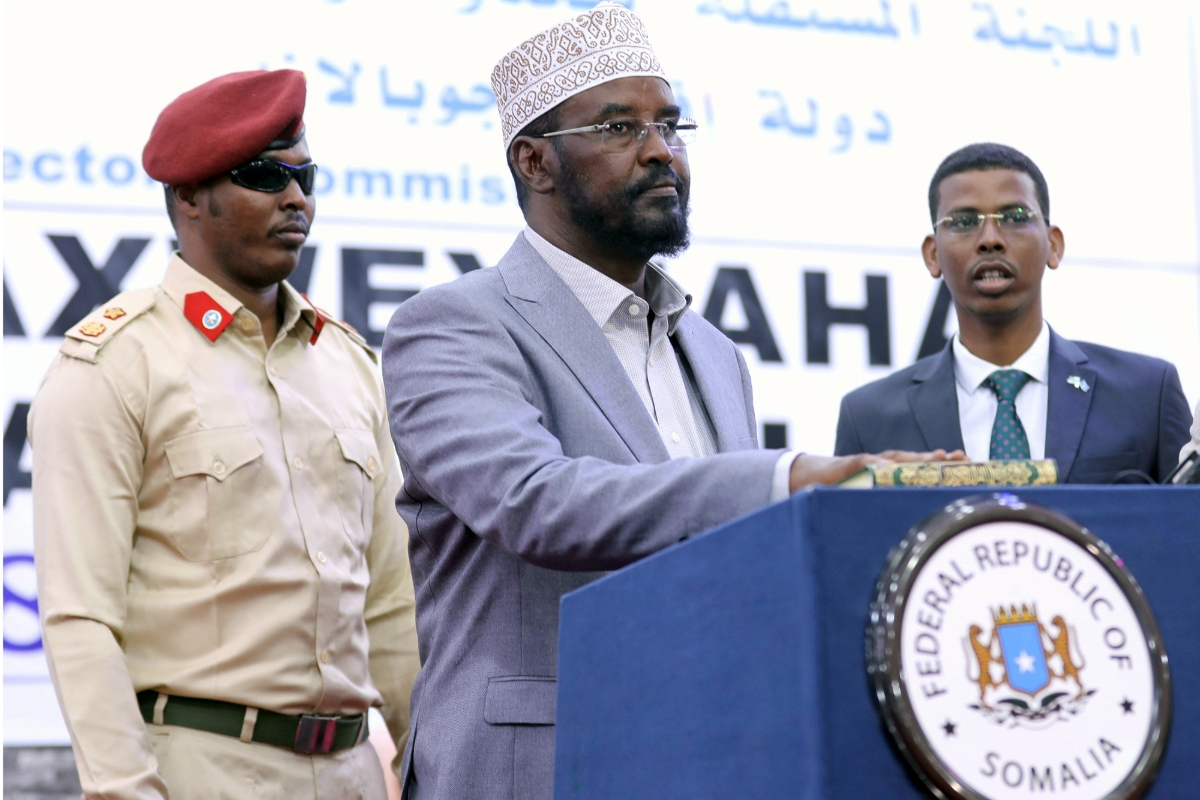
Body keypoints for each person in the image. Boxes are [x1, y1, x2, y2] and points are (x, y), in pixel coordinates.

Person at [381, 6, 951, 799]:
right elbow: (537, 504)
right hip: (541, 765)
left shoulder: (715, 353)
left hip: (711, 753)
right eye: (619, 128)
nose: (660, 152)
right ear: (534, 161)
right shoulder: (451, 326)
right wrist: (788, 481)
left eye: (671, 125)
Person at [29, 70, 419, 800]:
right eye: (265, 175)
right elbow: (80, 618)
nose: (295, 198)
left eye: (306, 176)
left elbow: (393, 605)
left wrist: (436, 768)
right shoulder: (113, 366)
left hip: (356, 773)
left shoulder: (350, 365)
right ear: (188, 197)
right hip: (201, 773)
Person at [835, 143, 1191, 482]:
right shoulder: (868, 418)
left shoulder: (1145, 395)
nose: (990, 238)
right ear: (932, 255)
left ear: (1053, 245)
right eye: (963, 221)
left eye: (1016, 217)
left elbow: (1186, 532)